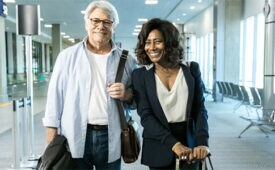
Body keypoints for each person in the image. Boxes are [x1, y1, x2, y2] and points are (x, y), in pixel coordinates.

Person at [42, 0, 136, 169]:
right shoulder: (67, 57)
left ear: (113, 27)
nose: (101, 26)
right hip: (74, 136)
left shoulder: (127, 60)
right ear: (87, 23)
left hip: (111, 136)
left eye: (107, 22)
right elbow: (54, 98)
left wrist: (127, 94)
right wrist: (51, 135)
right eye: (95, 20)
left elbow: (136, 99)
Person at [132, 18, 209, 170]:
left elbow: (200, 109)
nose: (152, 47)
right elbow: (146, 116)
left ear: (169, 43)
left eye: (157, 41)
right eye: (148, 42)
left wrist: (202, 142)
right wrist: (174, 144)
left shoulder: (191, 70)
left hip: (190, 144)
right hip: (158, 143)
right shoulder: (140, 75)